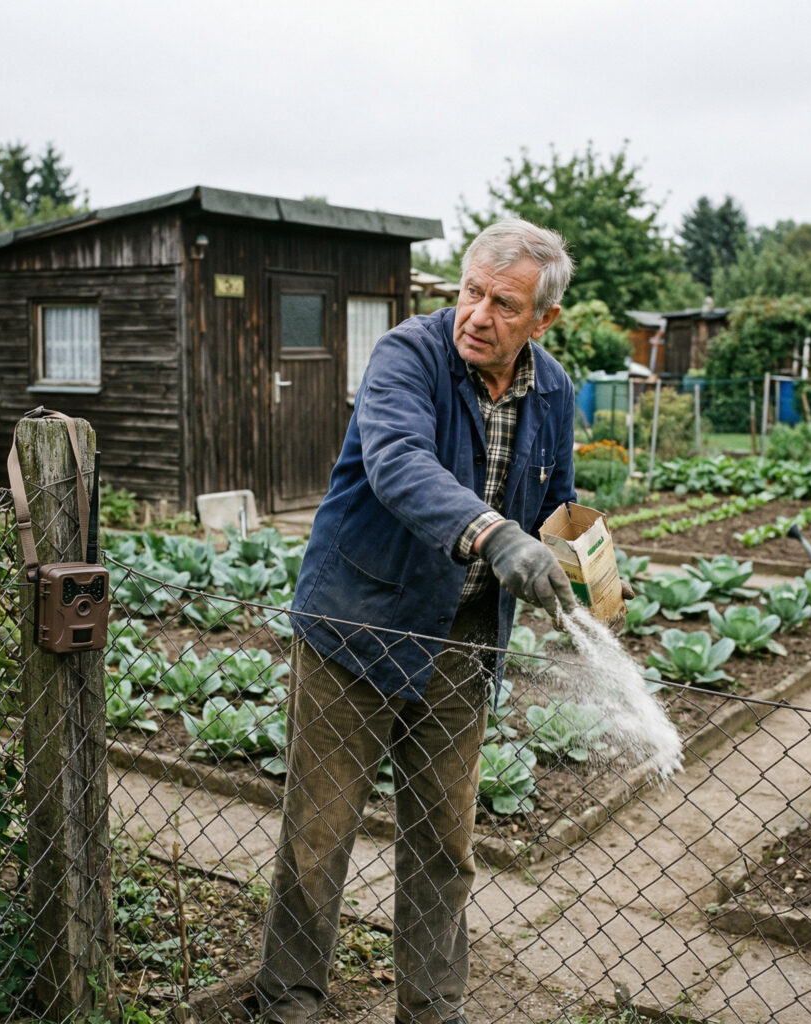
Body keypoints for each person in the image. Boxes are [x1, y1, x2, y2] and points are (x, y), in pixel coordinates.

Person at [250, 219, 578, 1024]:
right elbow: (398, 461)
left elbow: (556, 502)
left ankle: (433, 1009)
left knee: (443, 843)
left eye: (504, 304)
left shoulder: (557, 390)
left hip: (462, 640)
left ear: (542, 321)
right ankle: (289, 1004)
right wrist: (493, 533)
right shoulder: (408, 355)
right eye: (471, 292)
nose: (477, 315)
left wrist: (585, 556)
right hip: (356, 627)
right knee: (318, 839)